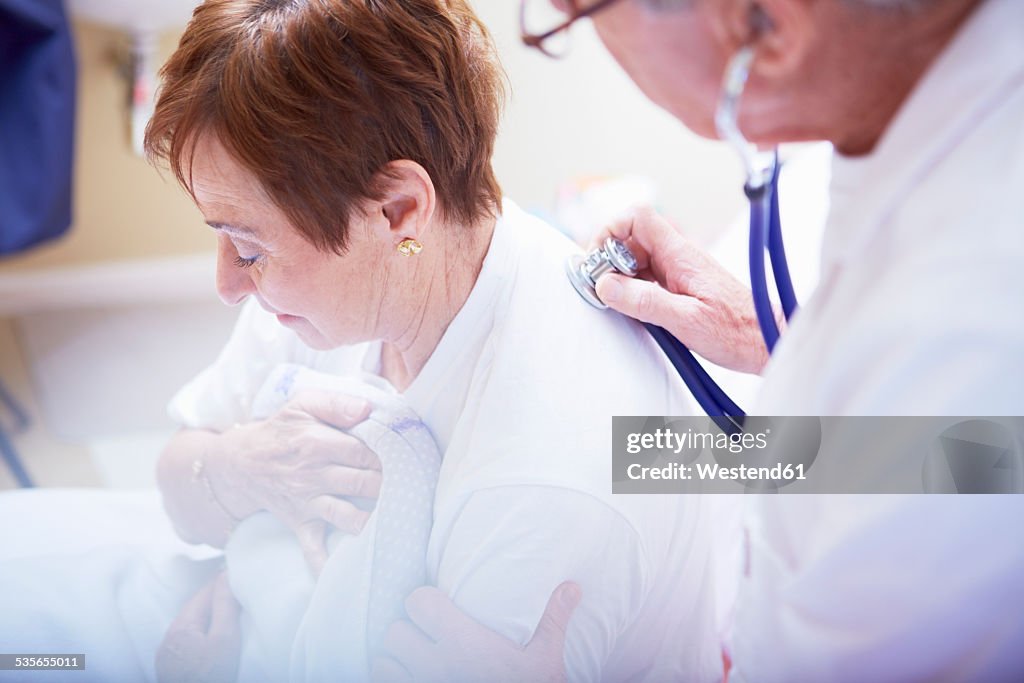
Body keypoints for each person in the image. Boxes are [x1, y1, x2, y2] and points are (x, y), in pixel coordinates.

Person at [377, 0, 1024, 680]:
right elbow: (967, 457)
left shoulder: (963, 333)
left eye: (574, 14)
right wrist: (776, 340)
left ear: (766, 32)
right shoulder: (904, 103)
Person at [139, 0, 732, 681]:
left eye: (245, 245)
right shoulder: (351, 276)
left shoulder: (537, 483)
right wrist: (239, 466)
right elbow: (176, 479)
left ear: (399, 209)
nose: (228, 281)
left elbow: (833, 457)